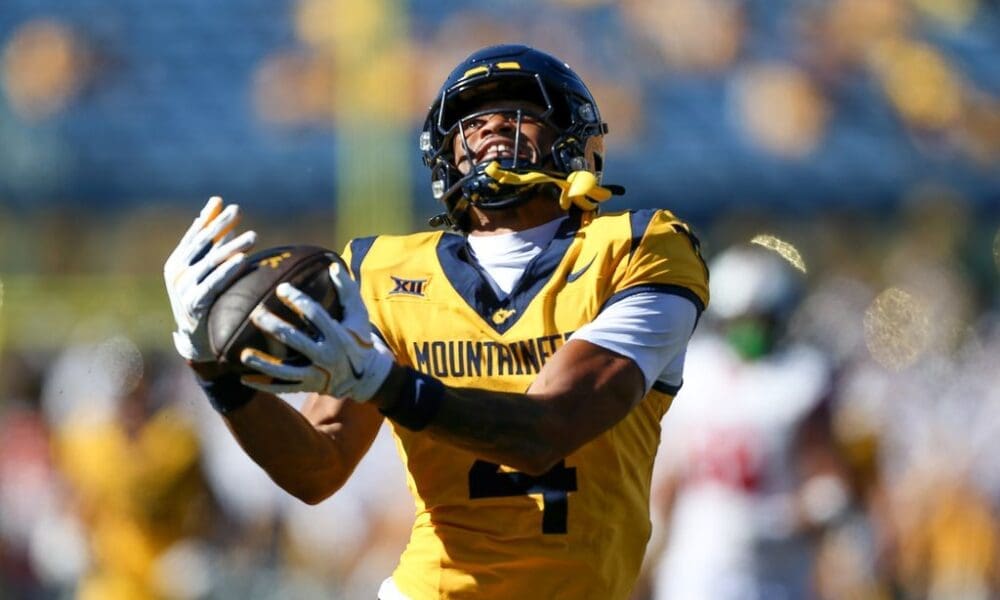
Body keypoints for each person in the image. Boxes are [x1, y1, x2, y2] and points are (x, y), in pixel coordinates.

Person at [164, 44, 709, 600]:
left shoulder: (637, 249)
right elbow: (317, 470)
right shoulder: (382, 271)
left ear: (577, 142)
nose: (494, 124)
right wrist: (210, 365)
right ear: (445, 151)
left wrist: (388, 384)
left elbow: (547, 429)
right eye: (472, 120)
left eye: (522, 109)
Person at [643, 245, 845, 600]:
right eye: (741, 321)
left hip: (774, 576)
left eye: (760, 320)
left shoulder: (800, 378)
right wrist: (648, 547)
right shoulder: (696, 373)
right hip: (696, 570)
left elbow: (830, 487)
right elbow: (669, 477)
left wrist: (778, 522)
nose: (750, 332)